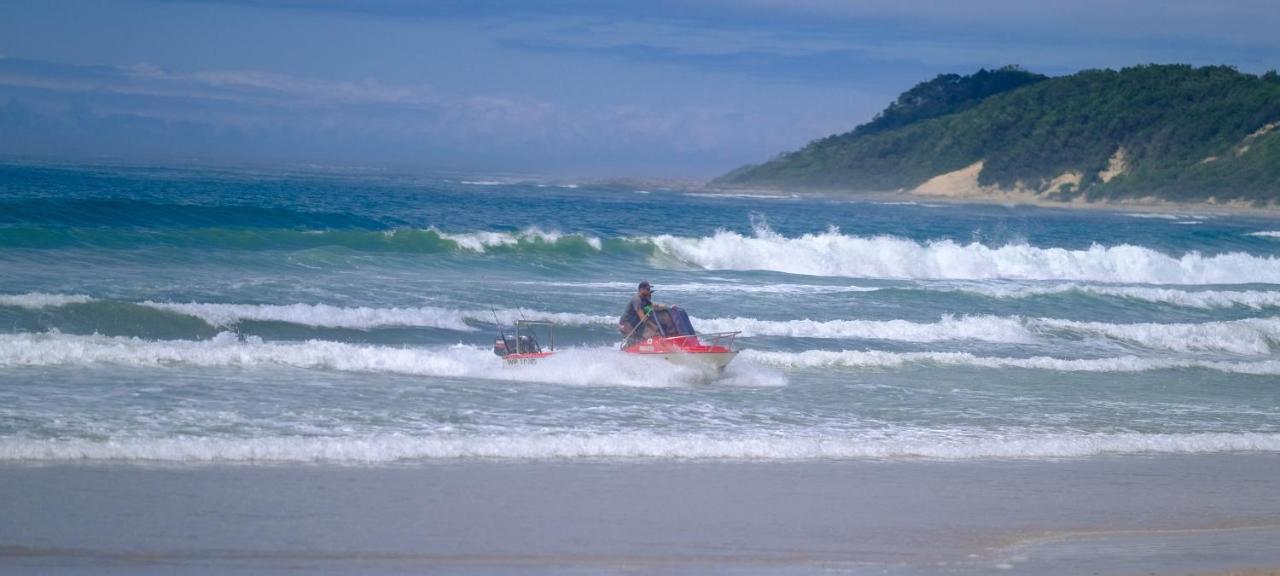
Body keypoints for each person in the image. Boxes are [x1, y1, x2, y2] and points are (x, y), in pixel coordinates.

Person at [618, 281, 665, 345]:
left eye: (650, 290)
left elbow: (654, 306)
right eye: (648, 289)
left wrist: (667, 307)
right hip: (625, 323)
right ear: (641, 290)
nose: (649, 291)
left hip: (635, 323)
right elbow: (643, 318)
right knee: (634, 340)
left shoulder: (645, 299)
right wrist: (655, 328)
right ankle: (626, 350)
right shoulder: (637, 299)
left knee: (641, 338)